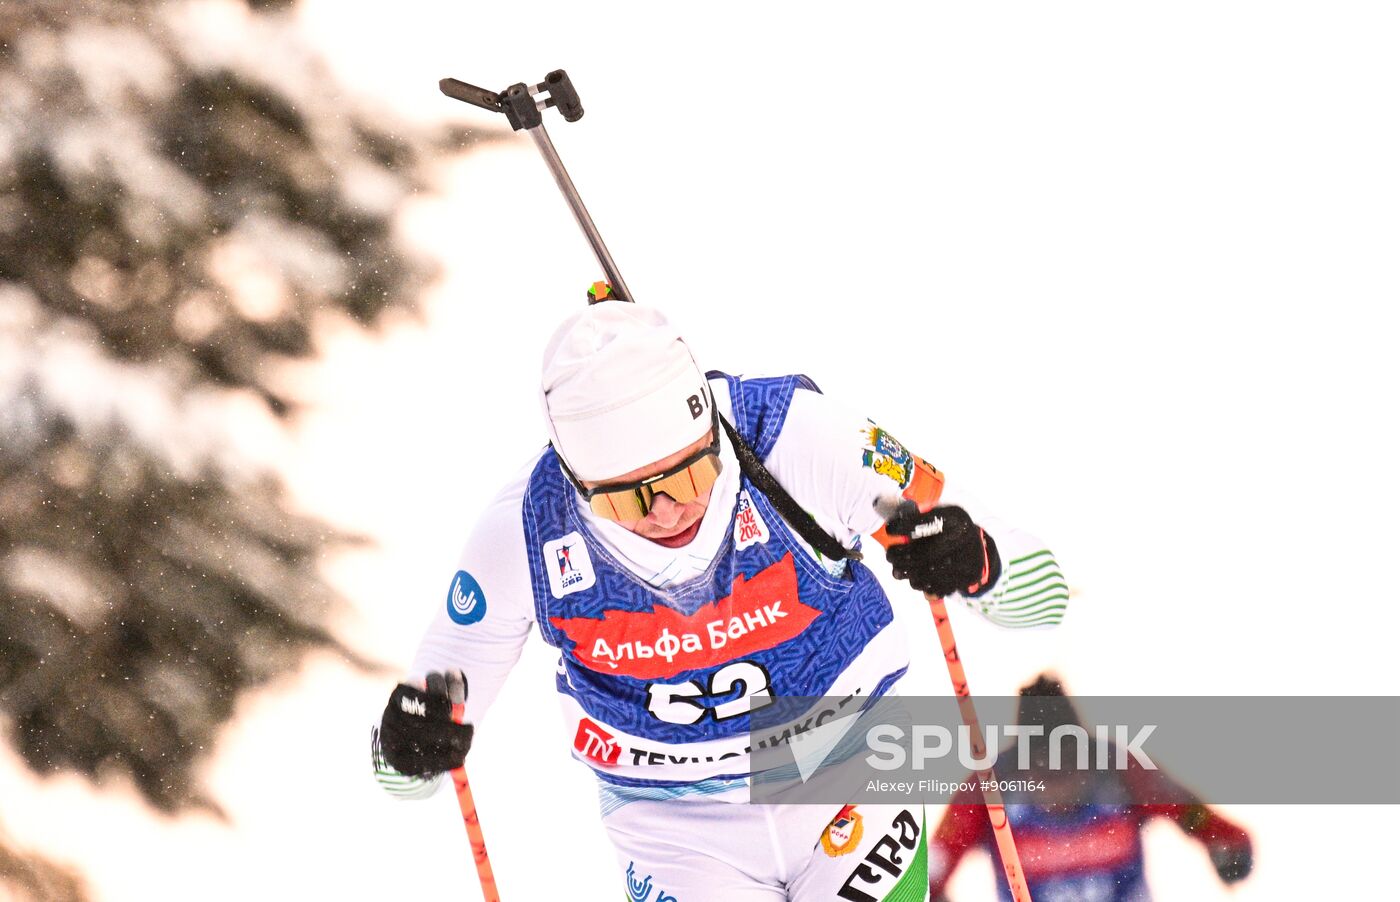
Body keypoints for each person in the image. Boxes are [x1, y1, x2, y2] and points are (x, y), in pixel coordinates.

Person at [371, 299, 1067, 899]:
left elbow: (1045, 596)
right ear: (577, 482)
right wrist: (409, 748)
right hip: (675, 825)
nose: (670, 509)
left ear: (709, 431)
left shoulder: (798, 438)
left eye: (691, 471)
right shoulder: (527, 527)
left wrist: (977, 562)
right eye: (630, 497)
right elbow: (410, 762)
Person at [928, 674, 1253, 901]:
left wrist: (1227, 842)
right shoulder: (990, 786)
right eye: (1043, 764)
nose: (1058, 778)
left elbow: (1187, 810)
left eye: (1069, 759)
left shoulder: (1120, 768)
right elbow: (935, 862)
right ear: (1021, 760)